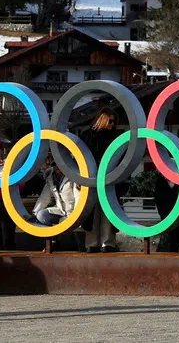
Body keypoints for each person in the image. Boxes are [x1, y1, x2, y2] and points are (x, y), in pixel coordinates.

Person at [80, 108, 121, 252]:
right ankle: (94, 244)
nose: (113, 124)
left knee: (108, 210)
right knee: (91, 211)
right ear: (102, 119)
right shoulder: (88, 135)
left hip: (109, 178)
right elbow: (81, 158)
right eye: (110, 121)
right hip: (93, 177)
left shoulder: (115, 136)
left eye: (114, 121)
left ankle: (106, 243)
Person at [33, 157, 80, 228]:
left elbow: (78, 197)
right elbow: (44, 198)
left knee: (67, 226)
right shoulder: (50, 178)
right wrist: (34, 213)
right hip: (61, 211)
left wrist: (75, 216)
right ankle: (51, 236)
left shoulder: (72, 177)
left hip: (73, 213)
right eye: (54, 164)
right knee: (41, 215)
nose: (57, 166)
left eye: (60, 164)